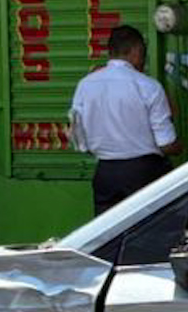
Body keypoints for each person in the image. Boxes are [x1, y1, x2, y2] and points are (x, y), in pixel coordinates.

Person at [70, 25, 179, 215]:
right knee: (149, 233)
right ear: (137, 51)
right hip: (144, 174)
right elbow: (166, 144)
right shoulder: (148, 86)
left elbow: (80, 140)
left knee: (109, 235)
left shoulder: (85, 85)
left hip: (105, 175)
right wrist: (180, 146)